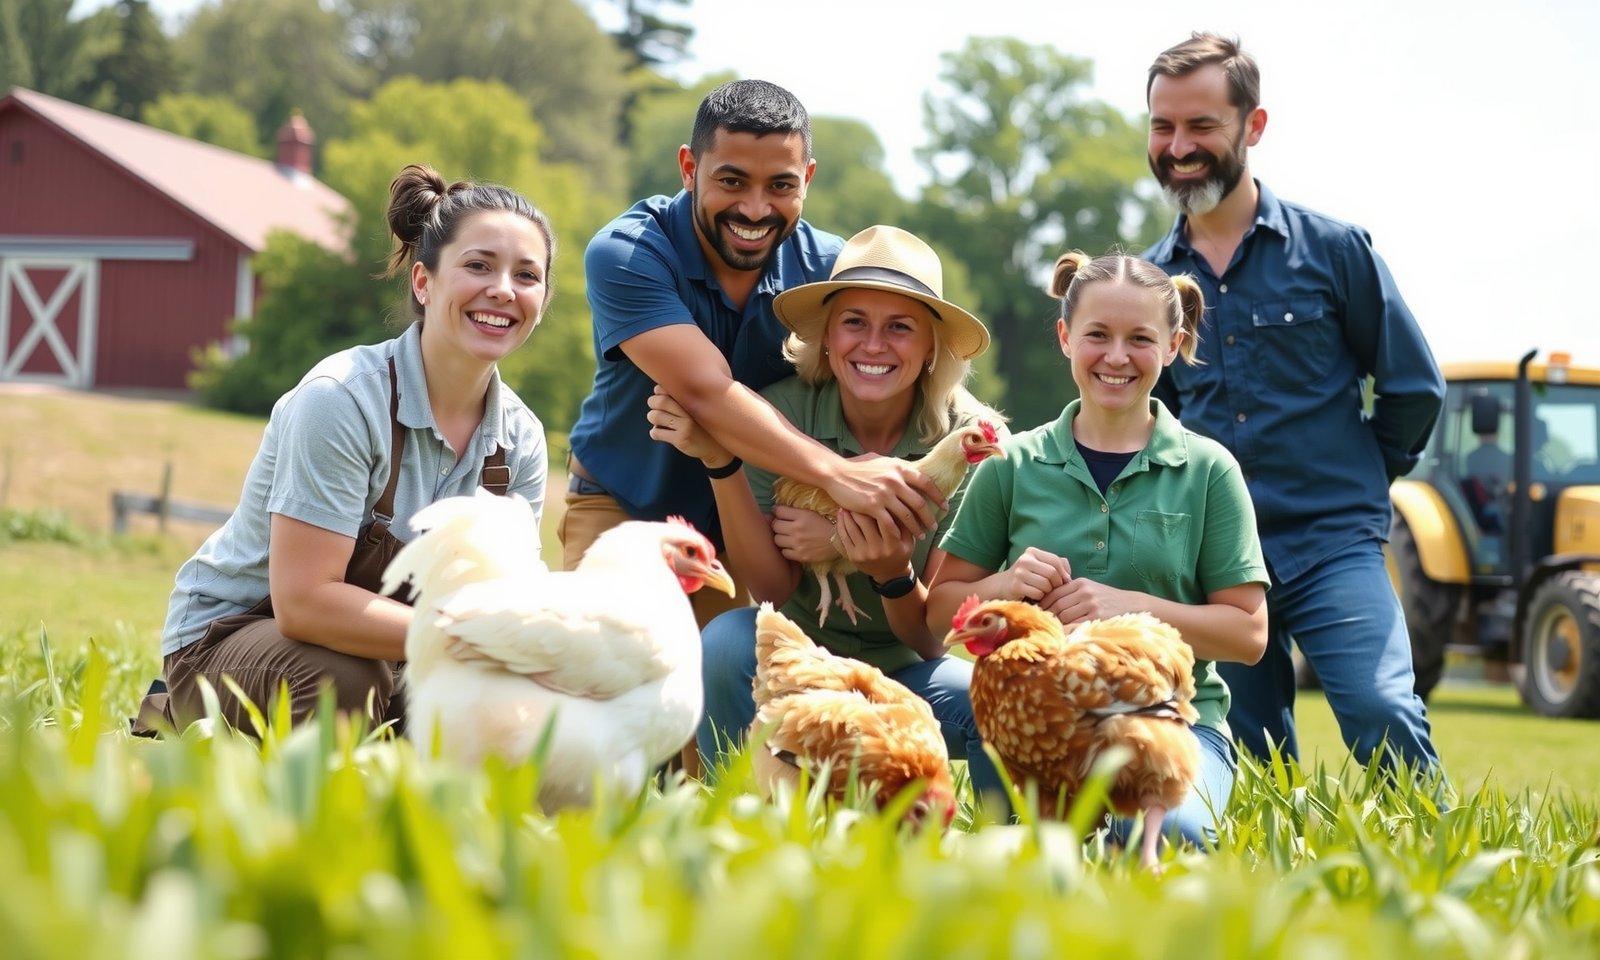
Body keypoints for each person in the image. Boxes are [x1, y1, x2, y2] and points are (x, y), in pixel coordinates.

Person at [150, 164, 554, 732]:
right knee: (344, 680)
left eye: (527, 275)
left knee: (502, 709)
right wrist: (477, 637)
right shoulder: (342, 400)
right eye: (478, 266)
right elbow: (304, 602)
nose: (503, 290)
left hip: (400, 653)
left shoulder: (521, 440)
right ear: (423, 282)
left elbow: (507, 602)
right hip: (234, 640)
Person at [1141, 33, 1446, 772]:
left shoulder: (1335, 251)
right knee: (1250, 752)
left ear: (1254, 126)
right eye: (1162, 126)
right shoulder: (1148, 285)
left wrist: (1363, 480)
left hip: (1332, 538)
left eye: (1201, 126)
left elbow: (1412, 387)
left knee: (1381, 708)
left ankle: (1436, 866)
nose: (1178, 146)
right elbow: (1158, 426)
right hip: (1217, 557)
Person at [562, 79, 947, 629]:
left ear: (808, 180)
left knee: (713, 696)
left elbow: (901, 365)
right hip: (622, 507)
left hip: (746, 527)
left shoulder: (828, 271)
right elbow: (706, 392)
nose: (755, 207)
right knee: (591, 674)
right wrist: (837, 474)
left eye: (781, 185)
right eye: (732, 181)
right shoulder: (627, 252)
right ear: (689, 168)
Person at [648, 225, 1008, 803]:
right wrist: (723, 464)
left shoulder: (971, 443)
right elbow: (768, 587)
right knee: (726, 641)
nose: (873, 345)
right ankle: (734, 813)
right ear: (827, 335)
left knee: (994, 699)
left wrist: (887, 568)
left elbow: (932, 638)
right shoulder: (780, 410)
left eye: (900, 326)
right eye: (854, 322)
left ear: (931, 346)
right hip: (796, 658)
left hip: (910, 672)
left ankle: (1008, 846)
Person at [926, 250, 1268, 847]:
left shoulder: (1209, 469)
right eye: (1097, 335)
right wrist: (1005, 587)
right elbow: (939, 610)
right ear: (1064, 337)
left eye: (1140, 338)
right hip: (1040, 720)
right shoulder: (1013, 464)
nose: (1116, 357)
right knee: (1030, 860)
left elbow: (1249, 634)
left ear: (1171, 344)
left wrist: (1128, 606)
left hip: (1173, 722)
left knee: (1168, 840)